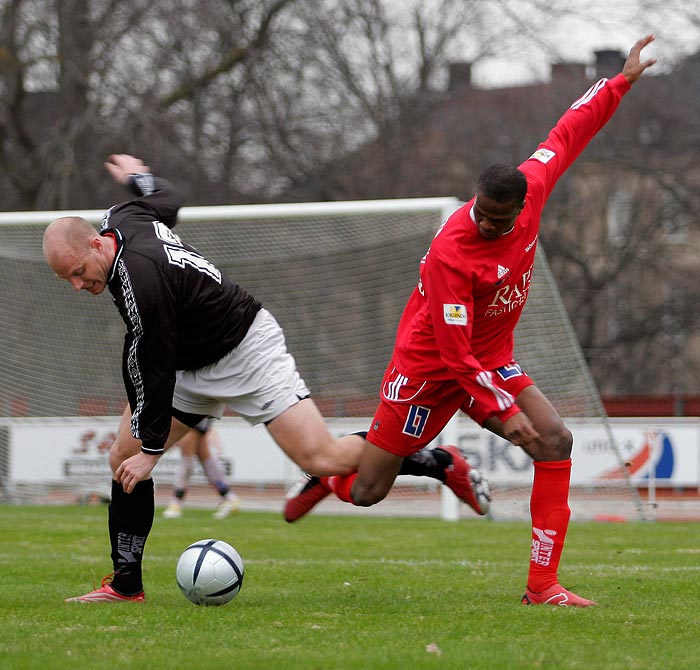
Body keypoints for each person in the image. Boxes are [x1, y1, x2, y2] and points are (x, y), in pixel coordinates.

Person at [285, 35, 657, 607]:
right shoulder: (452, 254)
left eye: (495, 218)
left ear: (517, 207)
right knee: (366, 491)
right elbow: (455, 354)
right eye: (479, 211)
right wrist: (502, 413)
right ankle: (369, 471)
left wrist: (620, 82)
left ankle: (542, 586)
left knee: (556, 439)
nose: (483, 222)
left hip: (492, 361)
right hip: (428, 369)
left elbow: (568, 132)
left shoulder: (531, 189)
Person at [43, 153, 489, 603]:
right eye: (69, 281)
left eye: (79, 273)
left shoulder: (141, 278)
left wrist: (153, 451)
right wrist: (140, 179)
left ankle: (436, 462)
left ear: (97, 245)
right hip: (188, 361)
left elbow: (152, 366)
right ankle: (126, 585)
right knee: (123, 455)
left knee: (323, 458)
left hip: (245, 349)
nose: (79, 286)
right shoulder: (120, 217)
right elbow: (170, 200)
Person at [161, 417, 241, 519]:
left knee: (188, 450)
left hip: (192, 407)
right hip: (195, 407)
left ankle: (176, 501)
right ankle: (230, 498)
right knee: (202, 451)